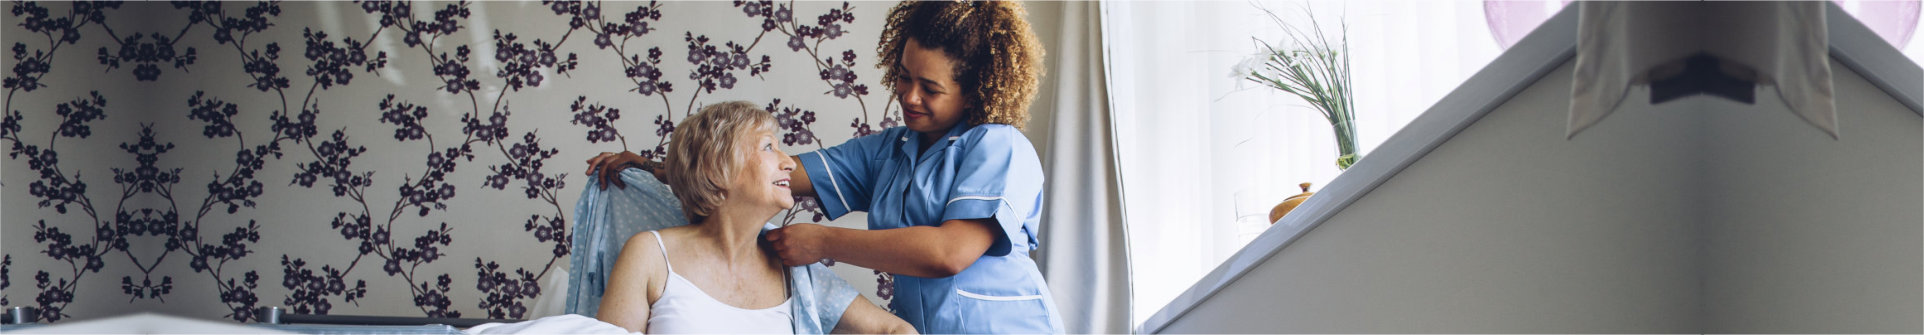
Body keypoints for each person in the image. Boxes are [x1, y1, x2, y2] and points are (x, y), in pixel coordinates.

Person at [589, 2, 1060, 333]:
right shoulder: (889, 152)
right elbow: (750, 172)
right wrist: (656, 167)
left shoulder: (1000, 147)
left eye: (929, 88)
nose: (909, 96)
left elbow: (948, 254)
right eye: (902, 76)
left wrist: (823, 242)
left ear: (974, 90)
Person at [590, 101, 912, 334]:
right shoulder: (649, 254)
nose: (788, 162)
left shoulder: (793, 271)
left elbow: (895, 332)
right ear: (716, 168)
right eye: (769, 147)